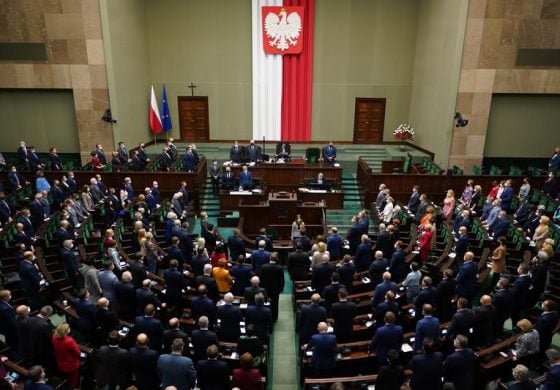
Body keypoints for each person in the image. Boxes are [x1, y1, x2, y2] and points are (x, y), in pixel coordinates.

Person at [51, 323, 81, 388]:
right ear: (65, 332)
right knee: (74, 380)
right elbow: (78, 352)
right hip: (71, 364)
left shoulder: (54, 337)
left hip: (61, 362)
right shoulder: (69, 341)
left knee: (66, 377)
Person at [260, 253, 285, 322]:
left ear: (269, 258)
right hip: (275, 289)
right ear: (276, 259)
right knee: (275, 304)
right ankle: (274, 318)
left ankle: (265, 317)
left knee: (265, 302)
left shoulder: (264, 267)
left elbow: (261, 278)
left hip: (265, 289)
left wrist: (261, 288)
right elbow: (282, 280)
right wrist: (281, 289)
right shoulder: (279, 268)